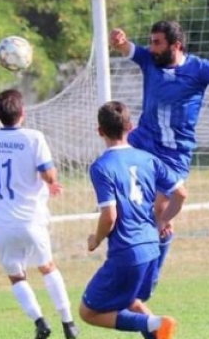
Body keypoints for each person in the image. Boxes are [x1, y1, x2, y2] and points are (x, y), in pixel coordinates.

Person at [108, 20, 209, 279]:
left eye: (157, 43)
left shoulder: (199, 69)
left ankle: (149, 278)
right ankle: (118, 228)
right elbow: (126, 48)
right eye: (151, 42)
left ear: (176, 45)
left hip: (174, 153)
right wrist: (119, 41)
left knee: (161, 212)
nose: (152, 48)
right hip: (143, 140)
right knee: (113, 158)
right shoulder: (149, 60)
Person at [79, 101, 188, 339]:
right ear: (130, 127)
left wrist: (95, 240)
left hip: (127, 251)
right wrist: (164, 220)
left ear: (100, 131)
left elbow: (109, 216)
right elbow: (181, 194)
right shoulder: (147, 159)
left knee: (88, 312)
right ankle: (157, 327)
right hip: (152, 247)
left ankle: (157, 323)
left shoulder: (101, 167)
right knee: (131, 302)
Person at [0, 89, 80, 339]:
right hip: (30, 219)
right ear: (23, 112)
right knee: (47, 267)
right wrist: (52, 182)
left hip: (1, 222)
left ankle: (40, 322)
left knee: (16, 276)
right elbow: (48, 173)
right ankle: (68, 323)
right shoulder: (34, 137)